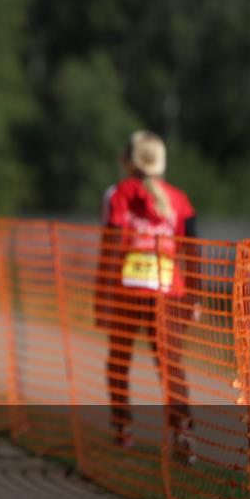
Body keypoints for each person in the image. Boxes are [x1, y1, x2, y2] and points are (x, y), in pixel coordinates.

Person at [95, 131, 199, 460]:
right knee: (170, 365)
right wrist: (195, 297)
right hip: (169, 294)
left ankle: (122, 429)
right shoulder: (180, 199)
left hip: (128, 292)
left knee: (118, 362)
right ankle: (182, 432)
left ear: (130, 161)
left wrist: (101, 295)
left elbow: (110, 246)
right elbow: (193, 252)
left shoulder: (119, 194)